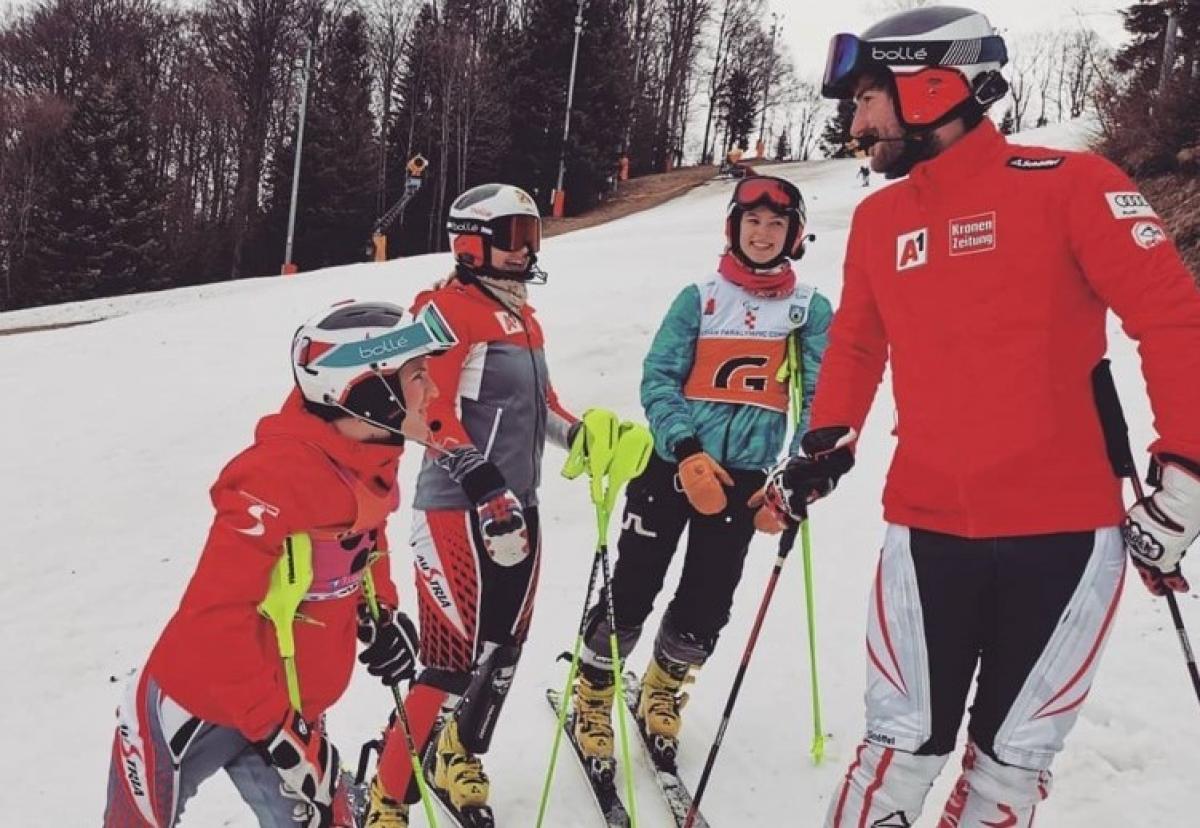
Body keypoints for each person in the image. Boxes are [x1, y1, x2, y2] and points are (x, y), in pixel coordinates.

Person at [760, 6, 1200, 826]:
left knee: (1010, 774)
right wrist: (825, 440)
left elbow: (1175, 320)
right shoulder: (878, 221)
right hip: (927, 531)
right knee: (895, 759)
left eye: (865, 99)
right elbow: (856, 346)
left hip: (1067, 538)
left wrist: (1187, 476)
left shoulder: (1074, 185)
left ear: (932, 87)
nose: (853, 124)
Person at [103, 299, 457, 827]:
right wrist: (280, 731)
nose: (432, 390)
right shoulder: (274, 477)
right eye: (416, 376)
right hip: (197, 704)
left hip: (286, 706)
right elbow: (213, 617)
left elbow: (367, 537)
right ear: (365, 391)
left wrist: (379, 613)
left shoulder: (370, 457)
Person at [364, 183, 614, 826]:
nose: (523, 250)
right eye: (510, 237)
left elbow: (545, 410)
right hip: (457, 508)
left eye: (530, 237)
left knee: (503, 649)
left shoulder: (523, 317)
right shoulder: (445, 309)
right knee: (446, 665)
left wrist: (587, 436)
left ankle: (459, 755)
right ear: (470, 241)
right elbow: (429, 410)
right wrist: (481, 481)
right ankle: (387, 795)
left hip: (518, 507)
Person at [566, 174, 832, 777]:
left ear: (794, 234)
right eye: (752, 222)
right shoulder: (701, 296)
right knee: (632, 588)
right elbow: (658, 377)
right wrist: (685, 449)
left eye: (777, 225)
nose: (763, 234)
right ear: (733, 227)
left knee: (709, 600)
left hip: (746, 479)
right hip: (675, 467)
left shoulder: (808, 307)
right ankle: (594, 693)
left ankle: (663, 686)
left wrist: (792, 480)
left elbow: (819, 399)